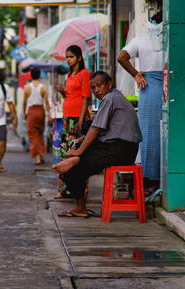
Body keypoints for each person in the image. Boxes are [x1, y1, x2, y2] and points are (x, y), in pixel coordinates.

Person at [52, 72, 142, 217]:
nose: (96, 91)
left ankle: (80, 208)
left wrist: (79, 151)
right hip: (123, 149)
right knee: (85, 137)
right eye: (93, 88)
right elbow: (100, 129)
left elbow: (96, 128)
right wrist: (82, 141)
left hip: (119, 150)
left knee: (72, 171)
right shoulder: (116, 97)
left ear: (109, 84)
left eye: (99, 86)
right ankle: (76, 160)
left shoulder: (110, 98)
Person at [117, 13, 163, 195]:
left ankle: (150, 178)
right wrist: (136, 74)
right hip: (163, 85)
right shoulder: (170, 38)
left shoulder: (141, 39)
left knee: (150, 133)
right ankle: (156, 177)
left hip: (149, 85)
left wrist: (136, 74)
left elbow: (121, 57)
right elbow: (121, 57)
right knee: (158, 133)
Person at [54, 45, 91, 199]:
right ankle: (64, 190)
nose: (68, 60)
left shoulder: (84, 74)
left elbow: (85, 99)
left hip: (78, 119)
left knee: (77, 155)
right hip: (67, 118)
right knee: (64, 154)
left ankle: (80, 191)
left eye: (71, 57)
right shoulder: (70, 75)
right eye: (67, 57)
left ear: (79, 58)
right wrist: (62, 91)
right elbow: (70, 97)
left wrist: (81, 121)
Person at [23, 68, 51, 165]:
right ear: (39, 75)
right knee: (40, 134)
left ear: (31, 75)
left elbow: (24, 103)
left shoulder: (27, 87)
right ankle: (41, 154)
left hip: (31, 111)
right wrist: (49, 115)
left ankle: (37, 157)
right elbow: (46, 103)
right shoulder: (43, 87)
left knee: (32, 134)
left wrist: (24, 113)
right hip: (40, 111)